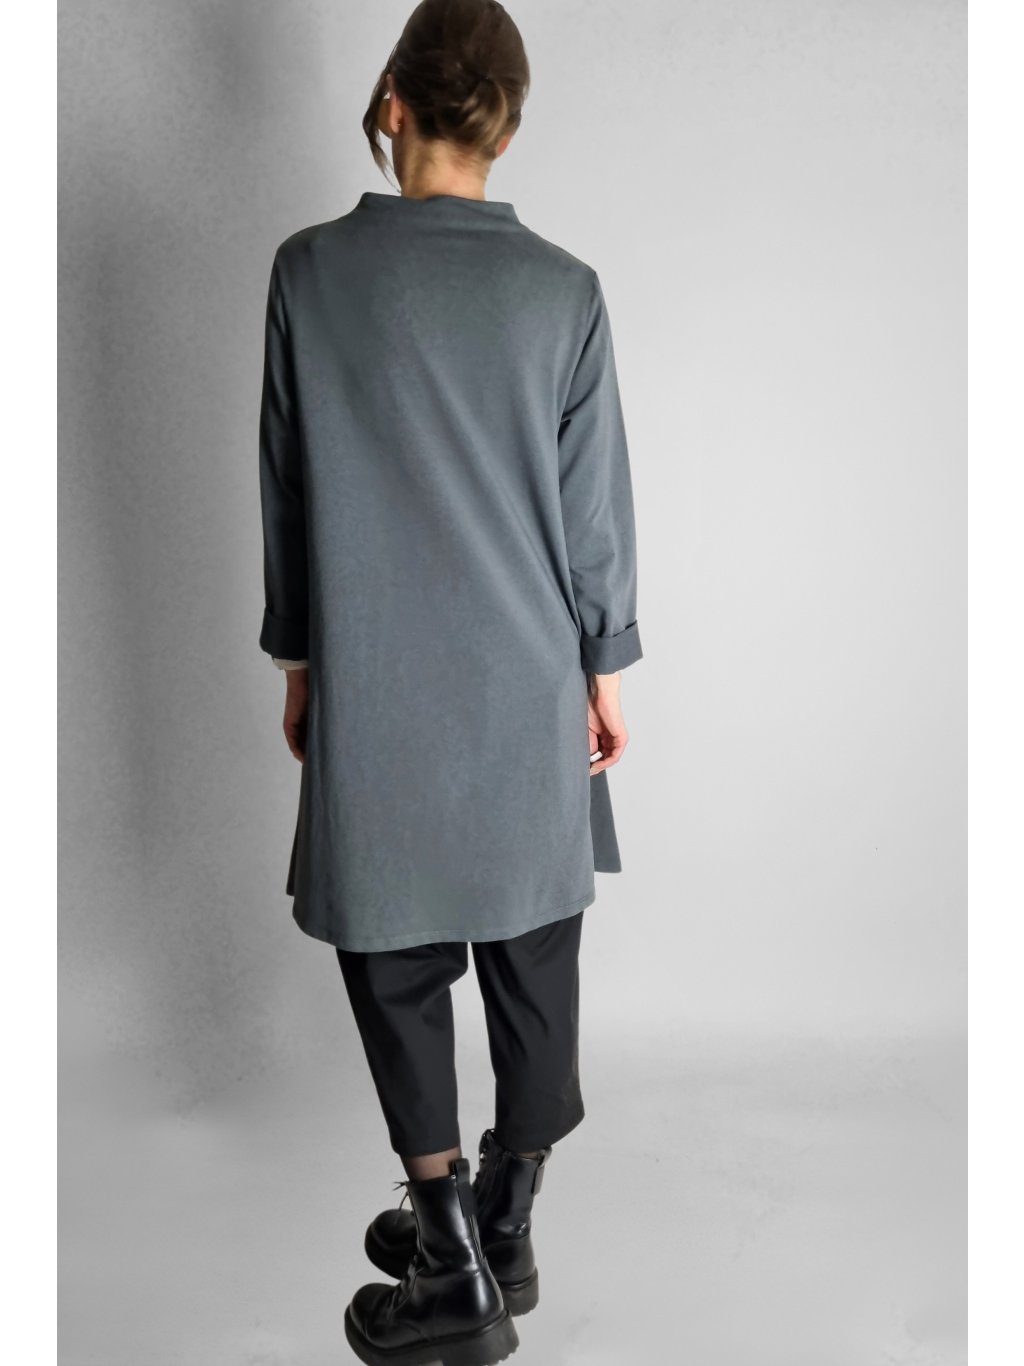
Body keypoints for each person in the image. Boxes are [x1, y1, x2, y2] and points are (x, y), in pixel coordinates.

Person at [256, 1, 643, 1361]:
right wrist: (603, 668)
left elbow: (290, 486)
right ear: (508, 129)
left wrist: (302, 657)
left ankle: (453, 1253)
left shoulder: (309, 273)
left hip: (377, 666)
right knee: (535, 951)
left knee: (396, 954)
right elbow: (594, 517)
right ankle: (510, 1215)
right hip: (530, 673)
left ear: (393, 104)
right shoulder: (564, 290)